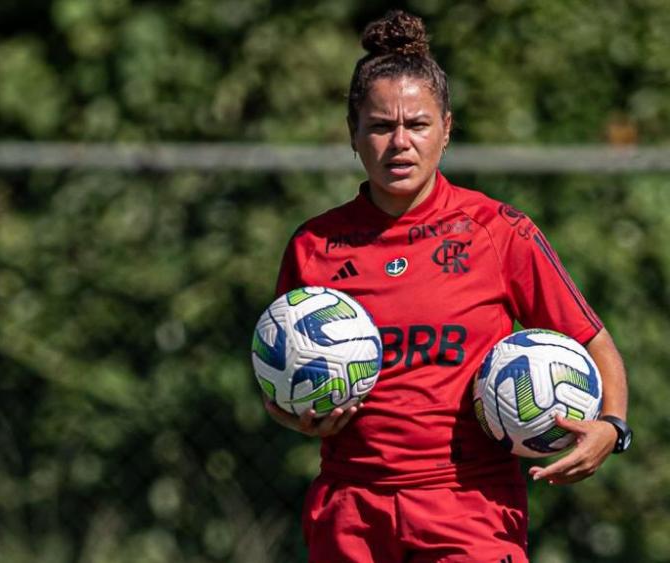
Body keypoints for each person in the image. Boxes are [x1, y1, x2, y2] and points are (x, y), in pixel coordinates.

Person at [264, 10, 631, 563]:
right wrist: (295, 417)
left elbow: (595, 343)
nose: (400, 143)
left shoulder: (497, 231)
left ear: (447, 129)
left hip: (469, 506)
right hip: (350, 507)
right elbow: (279, 384)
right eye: (381, 126)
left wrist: (612, 426)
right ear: (353, 134)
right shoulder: (314, 246)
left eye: (418, 124)